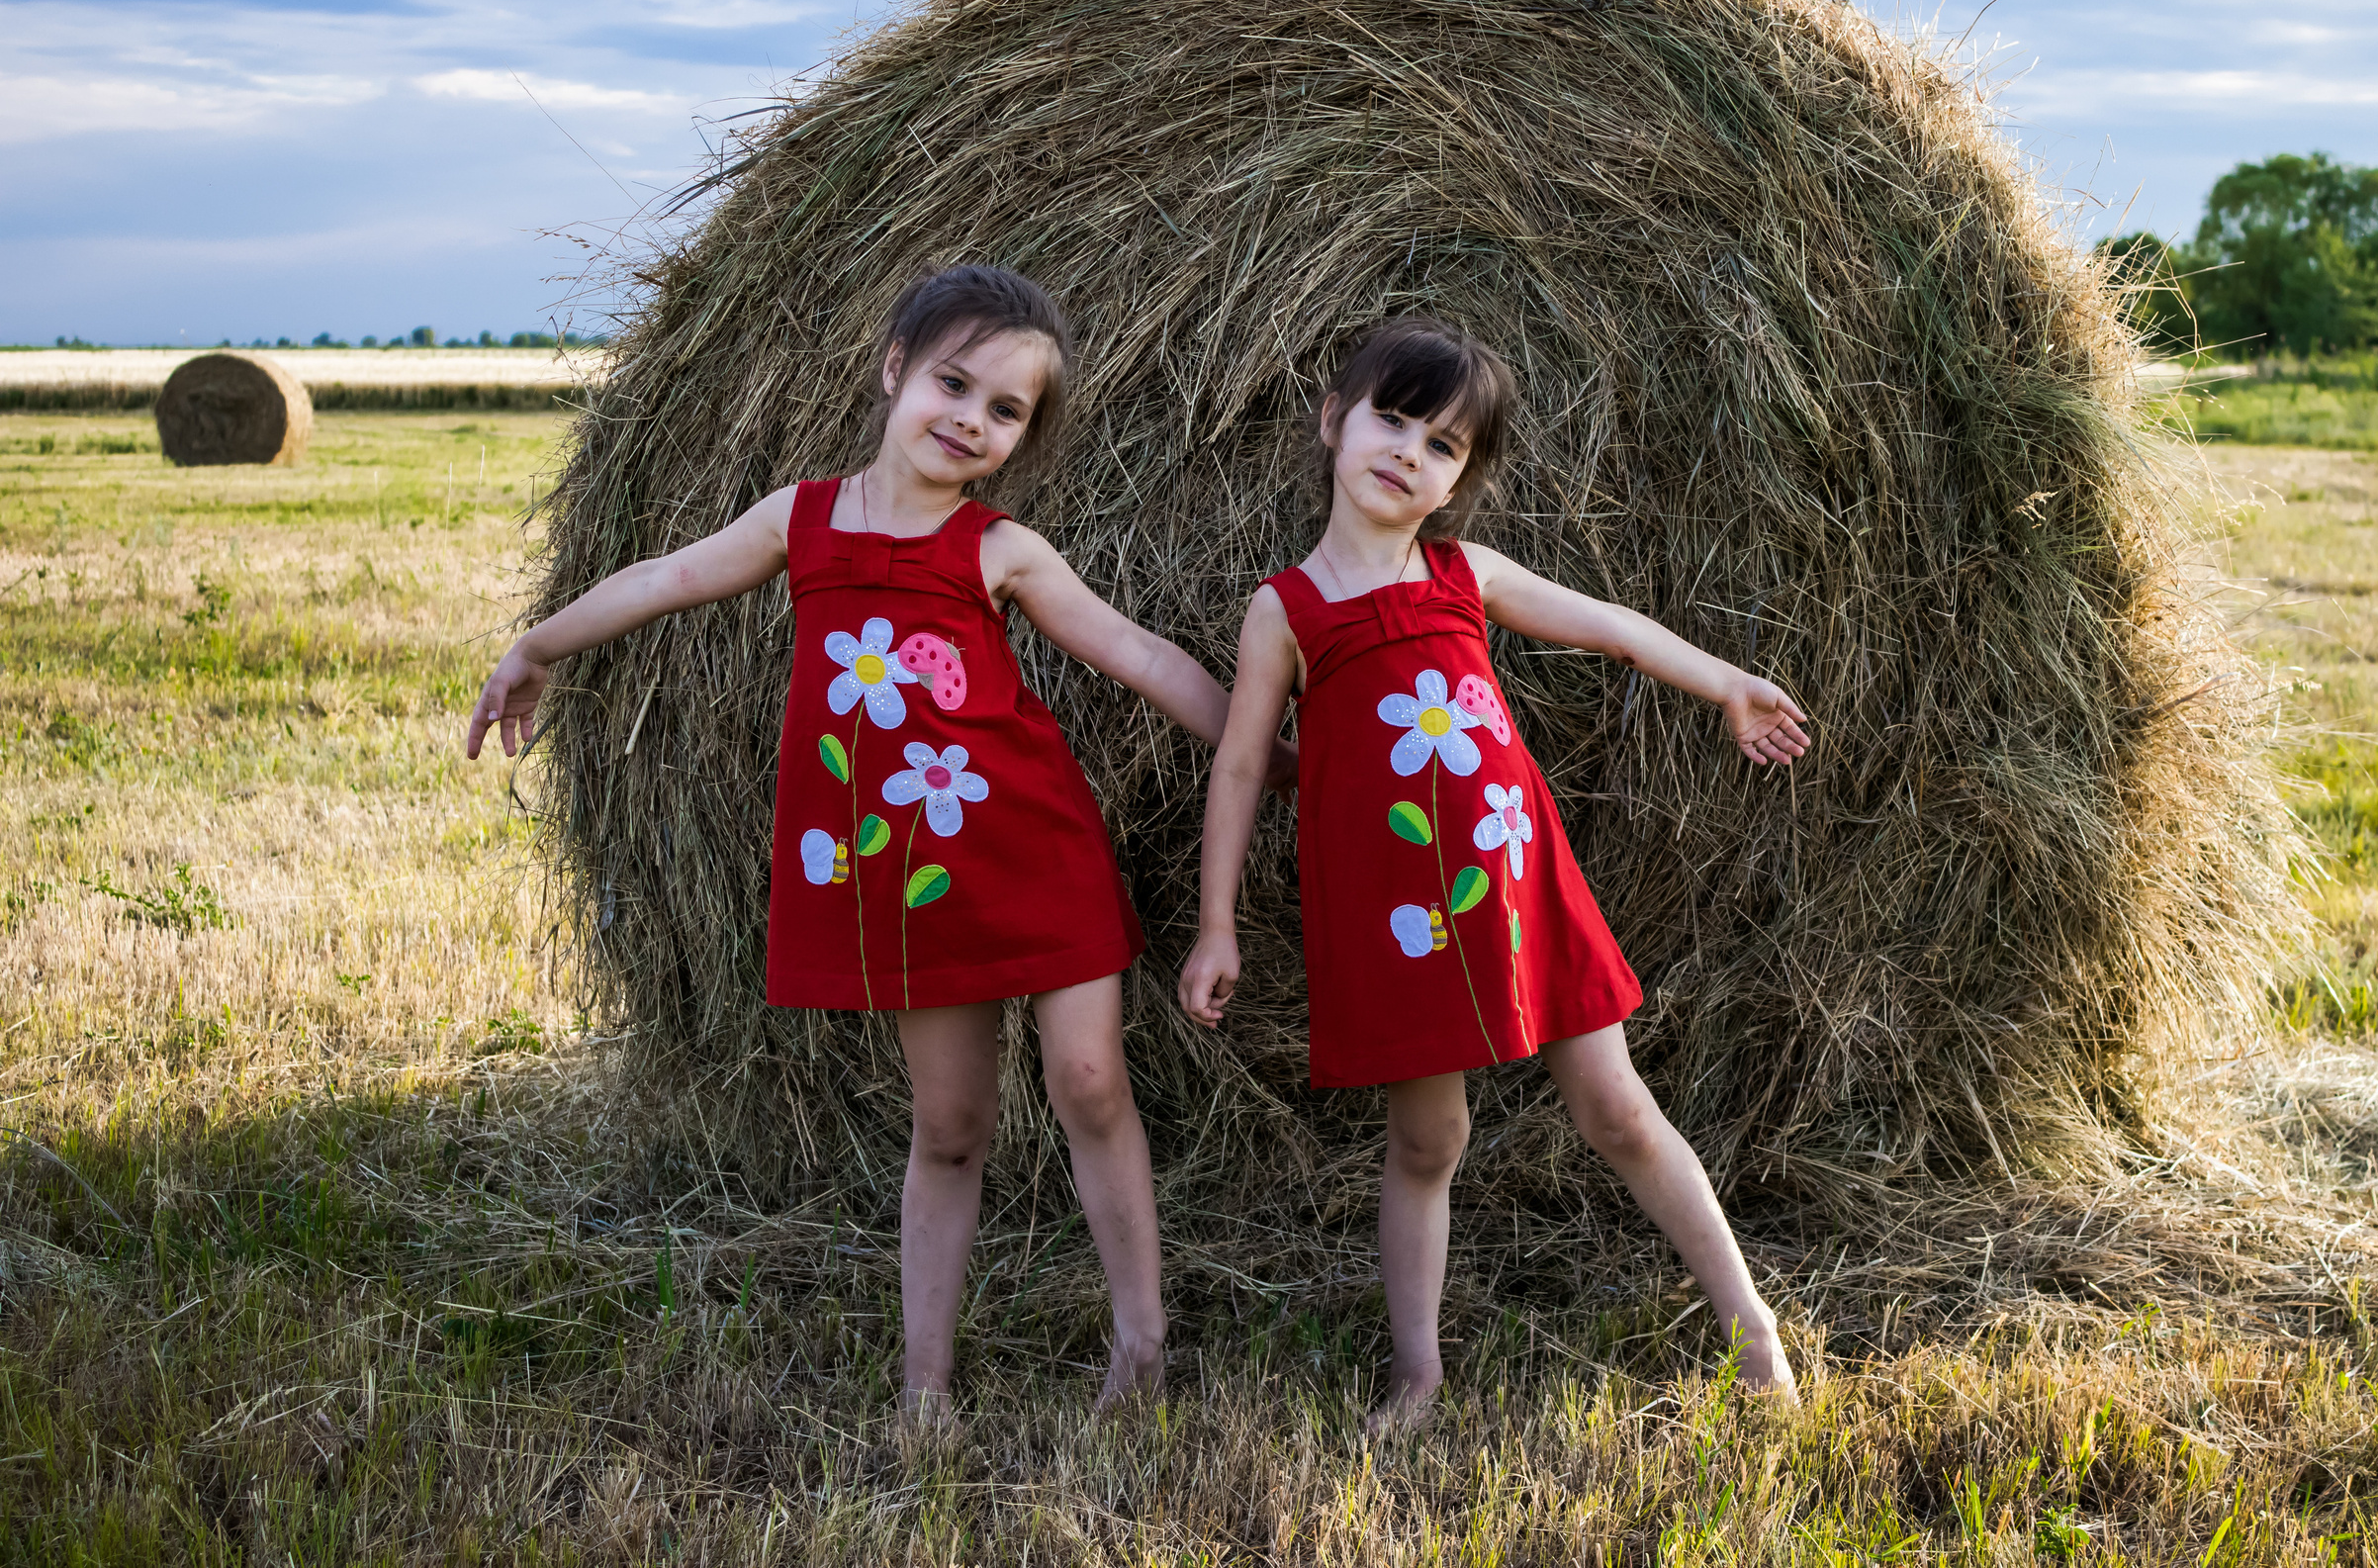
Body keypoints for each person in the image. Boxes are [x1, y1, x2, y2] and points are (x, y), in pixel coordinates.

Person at [470, 264, 1281, 1415]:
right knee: (949, 1124)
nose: (969, 418)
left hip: (1033, 850)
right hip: (908, 882)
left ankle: (1141, 1344)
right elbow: (670, 574)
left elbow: (1140, 657)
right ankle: (924, 1385)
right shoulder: (799, 521)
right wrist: (538, 644)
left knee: (1089, 1080)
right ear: (894, 369)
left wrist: (1275, 750)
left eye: (1004, 411)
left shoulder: (1001, 549)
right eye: (953, 383)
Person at [1177, 317, 1809, 1424]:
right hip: (1399, 918)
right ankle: (1417, 1373)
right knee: (1430, 1138)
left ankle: (1750, 1324)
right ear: (1333, 420)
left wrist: (1723, 683)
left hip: (1519, 889)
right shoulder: (1287, 610)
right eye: (1391, 418)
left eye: (1442, 444)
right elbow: (1238, 768)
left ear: (1456, 483)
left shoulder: (1463, 574)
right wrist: (1216, 922)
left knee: (1616, 1108)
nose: (1407, 451)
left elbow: (1609, 625)